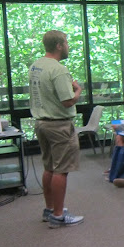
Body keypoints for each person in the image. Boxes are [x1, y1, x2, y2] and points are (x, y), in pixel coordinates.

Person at [29, 30, 84, 228]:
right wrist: (78, 90)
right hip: (59, 126)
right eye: (66, 43)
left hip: (42, 123)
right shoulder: (59, 69)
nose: (68, 46)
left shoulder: (36, 66)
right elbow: (67, 101)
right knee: (61, 170)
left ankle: (50, 209)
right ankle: (59, 216)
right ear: (59, 46)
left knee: (49, 167)